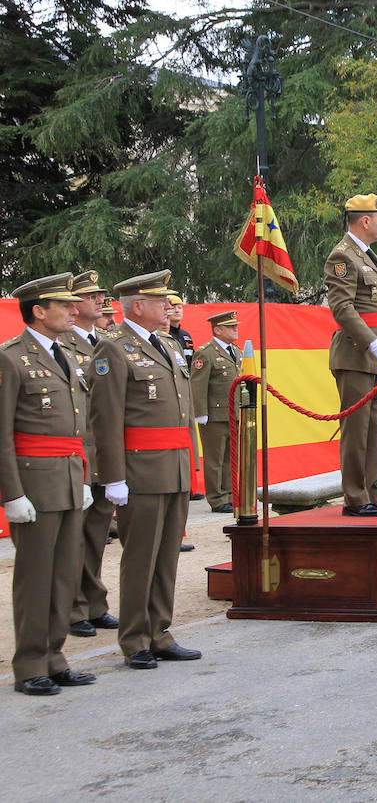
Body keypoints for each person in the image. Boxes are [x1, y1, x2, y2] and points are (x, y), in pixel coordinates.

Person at [89, 269, 201, 669]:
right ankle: (135, 637)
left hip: (173, 465)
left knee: (167, 553)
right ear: (138, 306)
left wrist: (191, 463)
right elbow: (106, 418)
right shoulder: (114, 348)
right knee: (141, 556)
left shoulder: (169, 344)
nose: (169, 307)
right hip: (139, 469)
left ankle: (160, 631)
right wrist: (113, 476)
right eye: (160, 301)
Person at [2, 273, 98, 695]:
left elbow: (78, 426)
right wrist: (11, 493)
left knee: (64, 574)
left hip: (69, 476)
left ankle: (55, 657)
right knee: (35, 576)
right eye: (63, 305)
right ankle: (29, 665)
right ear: (38, 311)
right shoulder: (10, 358)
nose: (73, 310)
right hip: (34, 482)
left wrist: (86, 476)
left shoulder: (68, 355)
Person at [324, 193, 377, 517]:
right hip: (356, 354)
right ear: (365, 220)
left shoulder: (366, 256)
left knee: (374, 429)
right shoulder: (343, 256)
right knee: (357, 431)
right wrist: (371, 343)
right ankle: (355, 497)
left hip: (376, 354)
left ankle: (372, 492)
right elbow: (342, 307)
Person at [62, 270, 119, 639]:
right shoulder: (62, 346)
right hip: (77, 451)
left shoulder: (107, 341)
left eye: (100, 295)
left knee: (97, 532)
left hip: (104, 450)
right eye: (90, 296)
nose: (99, 300)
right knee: (74, 536)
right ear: (72, 306)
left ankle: (93, 601)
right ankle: (72, 607)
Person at [190, 312, 242, 514]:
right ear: (217, 330)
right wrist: (201, 412)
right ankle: (216, 498)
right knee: (215, 459)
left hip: (233, 413)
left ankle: (229, 494)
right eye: (230, 327)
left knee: (231, 457)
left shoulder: (235, 351)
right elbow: (198, 384)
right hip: (214, 415)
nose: (235, 329)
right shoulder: (206, 353)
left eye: (235, 326)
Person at [165, 294, 195, 359]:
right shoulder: (162, 334)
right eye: (173, 308)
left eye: (179, 307)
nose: (177, 311)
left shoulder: (186, 336)